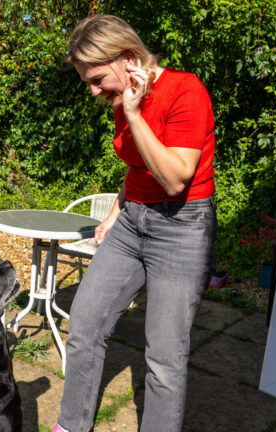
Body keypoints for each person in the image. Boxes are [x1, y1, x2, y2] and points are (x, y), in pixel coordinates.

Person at [52, 14, 217, 432]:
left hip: (181, 227)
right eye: (86, 82)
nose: (92, 91)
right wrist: (115, 211)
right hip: (133, 221)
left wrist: (134, 111)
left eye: (96, 79)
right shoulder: (122, 97)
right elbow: (138, 165)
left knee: (163, 357)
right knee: (84, 325)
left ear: (128, 59)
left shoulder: (185, 90)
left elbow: (176, 178)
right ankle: (72, 426)